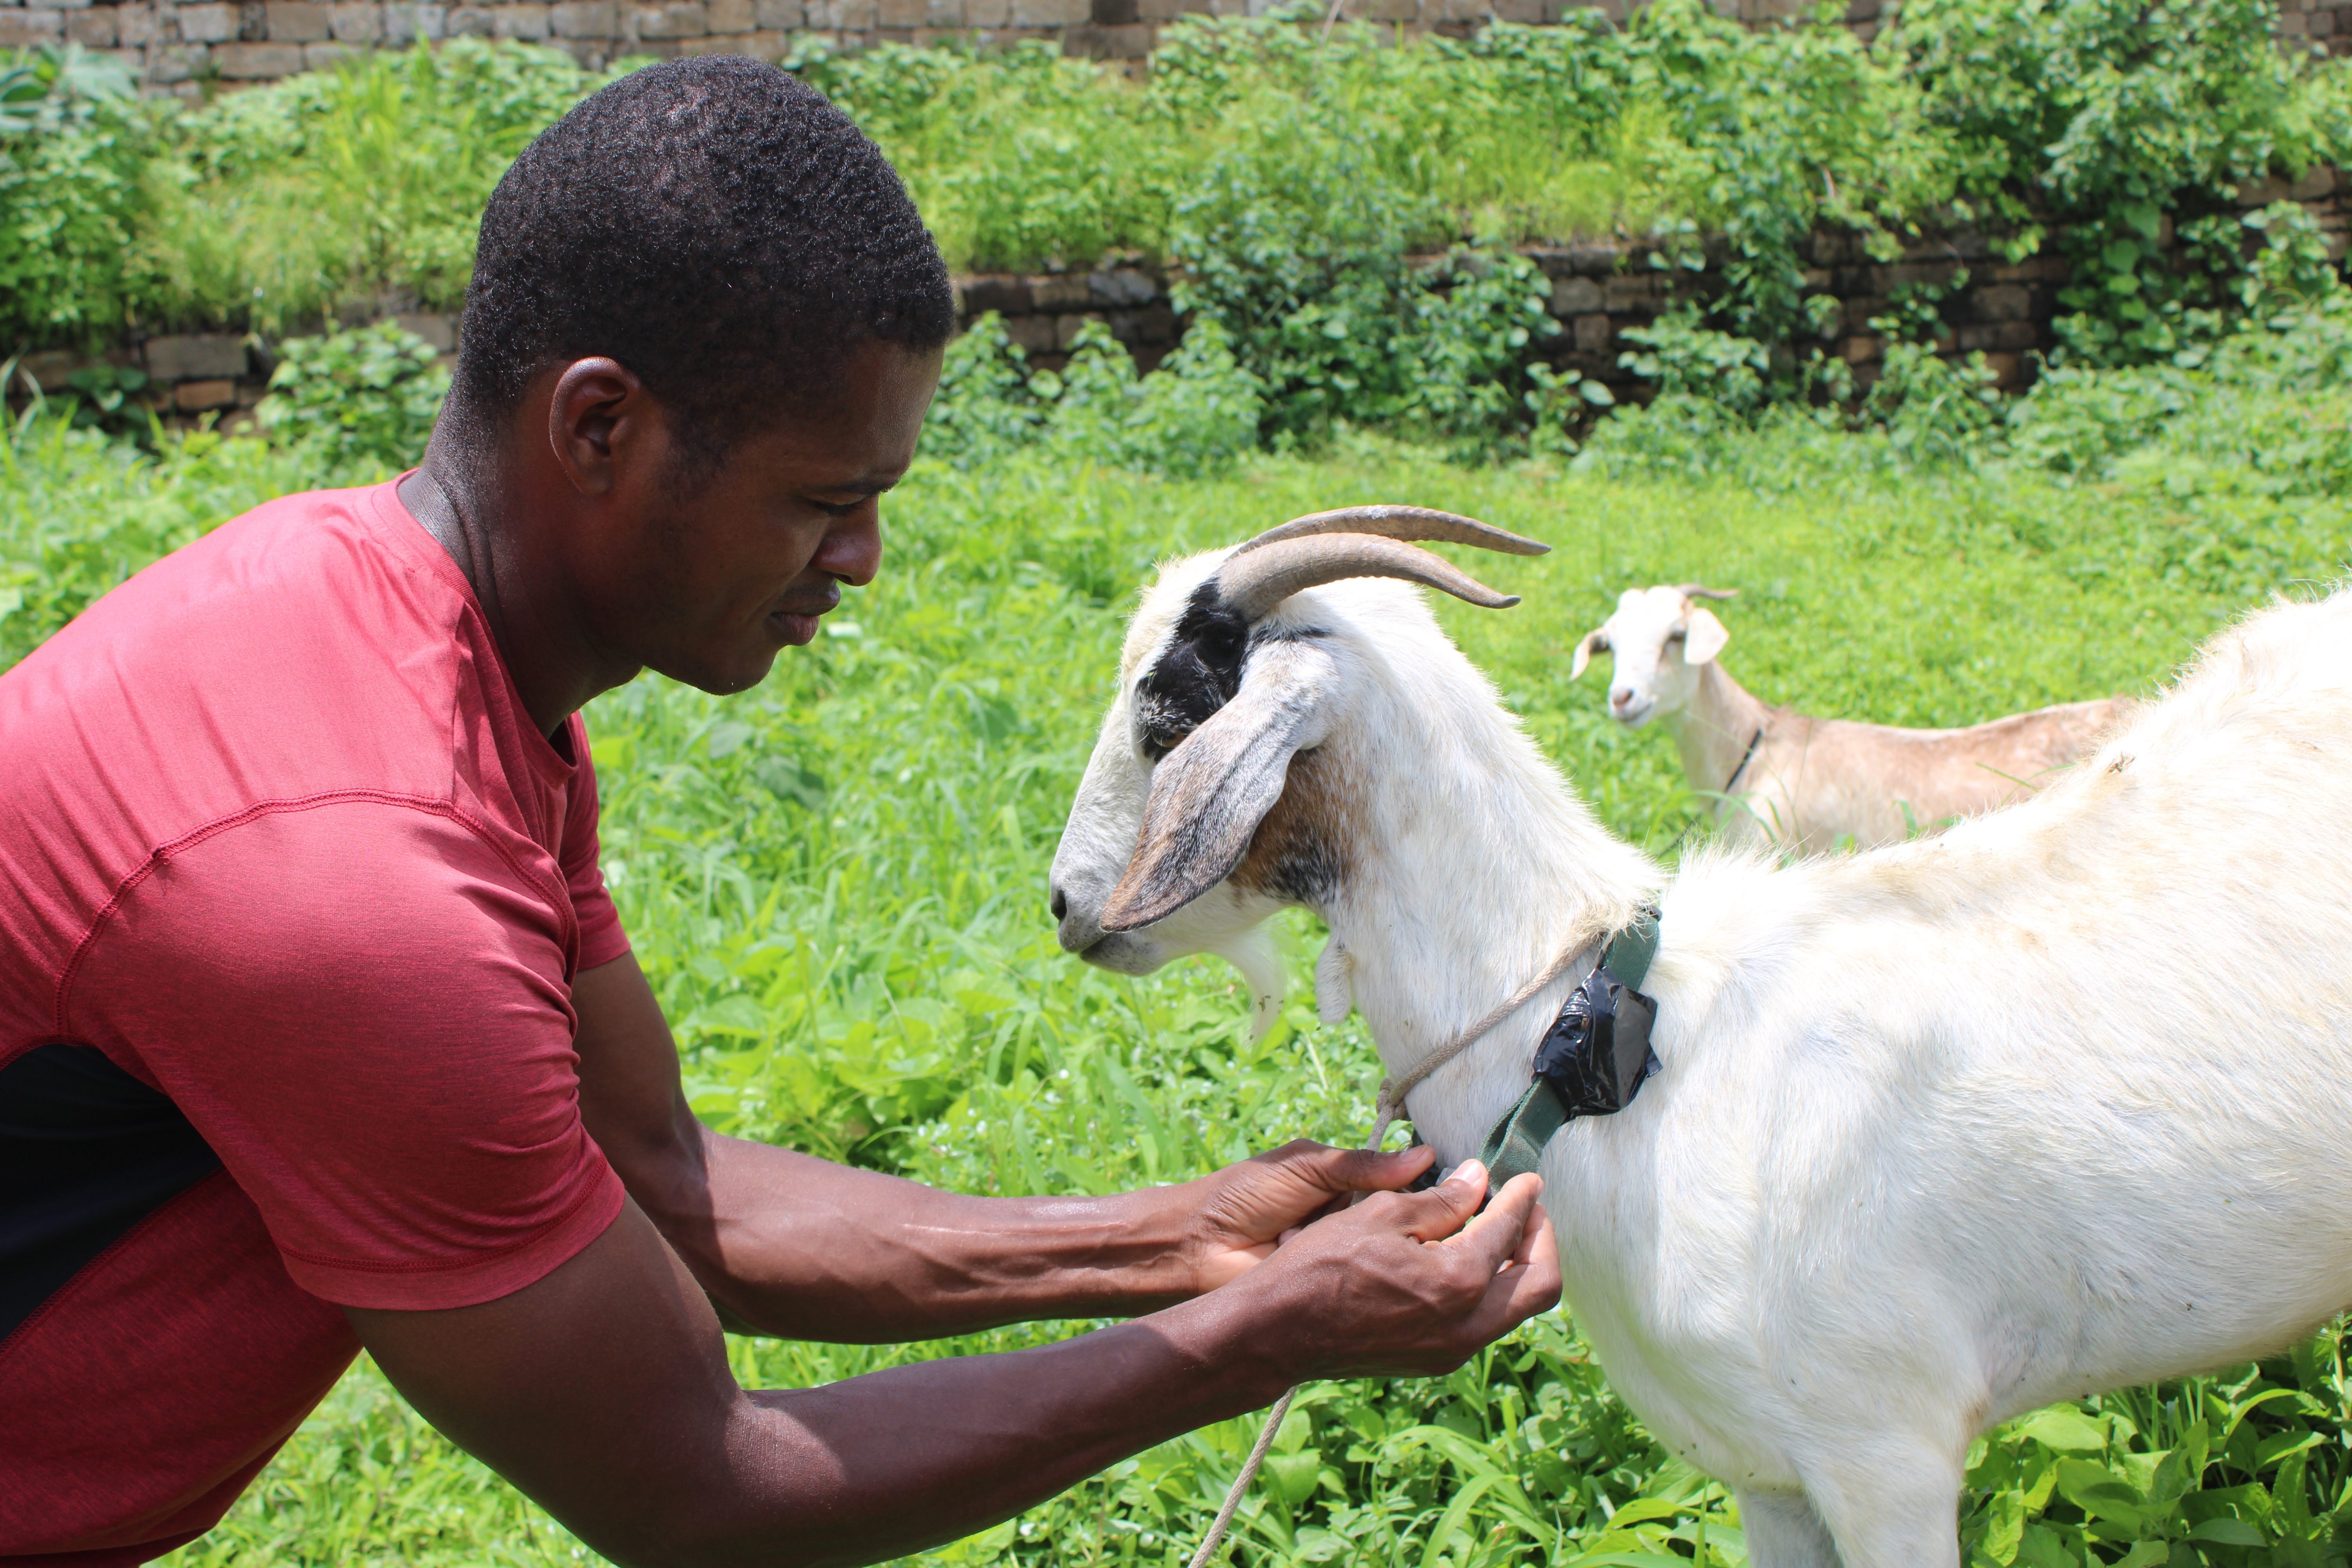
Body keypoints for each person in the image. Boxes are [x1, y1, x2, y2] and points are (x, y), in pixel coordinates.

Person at [0, 56, 1560, 1566]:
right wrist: (1255, 1336)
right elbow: (696, 1491)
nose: (866, 557)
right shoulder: (349, 877)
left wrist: (1167, 1239)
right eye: (826, 499)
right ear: (599, 427)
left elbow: (659, 1177)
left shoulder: (410, 650)